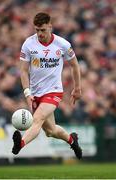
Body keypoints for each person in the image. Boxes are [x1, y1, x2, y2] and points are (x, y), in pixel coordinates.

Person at [12, 12, 82, 159]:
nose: (39, 34)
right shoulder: (28, 44)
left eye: (43, 30)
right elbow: (23, 71)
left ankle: (20, 144)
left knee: (37, 119)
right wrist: (27, 93)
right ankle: (72, 140)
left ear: (50, 26)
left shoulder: (63, 44)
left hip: (54, 91)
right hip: (36, 93)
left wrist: (77, 88)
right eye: (37, 30)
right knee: (50, 131)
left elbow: (75, 66)